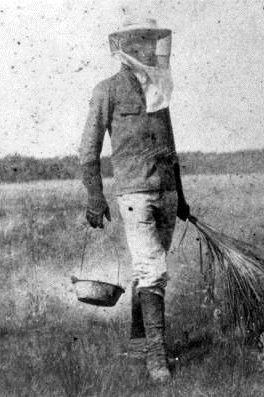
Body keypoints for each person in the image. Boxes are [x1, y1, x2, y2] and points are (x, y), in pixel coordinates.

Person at [78, 18, 190, 383]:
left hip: (167, 195)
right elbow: (88, 152)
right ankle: (157, 359)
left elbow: (171, 150)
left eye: (149, 41)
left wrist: (182, 197)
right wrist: (95, 199)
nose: (146, 48)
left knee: (148, 270)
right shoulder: (106, 90)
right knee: (153, 271)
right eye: (138, 42)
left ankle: (138, 340)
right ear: (124, 48)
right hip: (134, 195)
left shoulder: (159, 91)